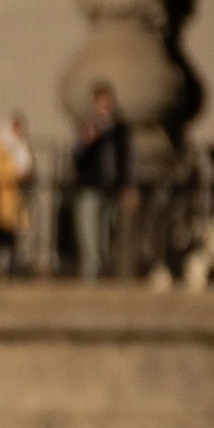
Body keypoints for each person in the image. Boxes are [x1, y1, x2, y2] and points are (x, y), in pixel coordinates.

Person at [71, 85, 131, 281]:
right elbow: (77, 157)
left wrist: (127, 185)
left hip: (111, 188)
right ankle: (91, 273)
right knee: (89, 232)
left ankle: (105, 271)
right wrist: (87, 141)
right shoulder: (88, 126)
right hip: (90, 187)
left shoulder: (119, 129)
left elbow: (126, 159)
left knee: (108, 233)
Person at [0, 110, 33, 273]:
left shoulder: (22, 146)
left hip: (15, 198)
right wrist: (14, 175)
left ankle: (10, 267)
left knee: (13, 234)